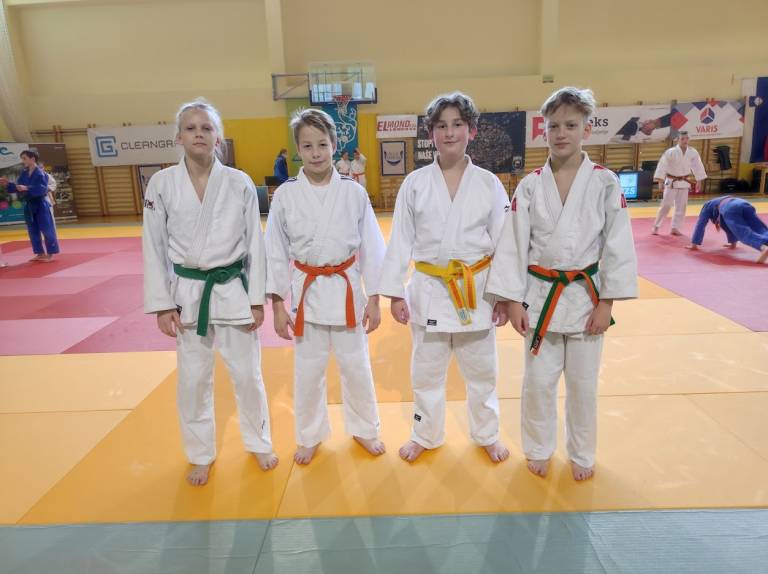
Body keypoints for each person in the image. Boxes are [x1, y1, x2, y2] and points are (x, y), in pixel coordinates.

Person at [486, 87, 638, 481]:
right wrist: (512, 301)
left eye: (570, 125)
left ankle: (582, 452)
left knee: (583, 387)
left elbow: (618, 244)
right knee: (538, 383)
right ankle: (539, 448)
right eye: (553, 126)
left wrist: (607, 303)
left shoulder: (605, 182)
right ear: (544, 130)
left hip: (586, 301)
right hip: (540, 300)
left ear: (587, 129)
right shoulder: (530, 185)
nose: (561, 133)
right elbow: (513, 244)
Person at [142, 98, 278, 487]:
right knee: (193, 381)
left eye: (206, 128)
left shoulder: (238, 182)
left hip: (233, 289)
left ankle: (259, 442)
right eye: (190, 128)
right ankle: (200, 455)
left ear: (218, 137)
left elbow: (255, 244)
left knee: (248, 375)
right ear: (178, 137)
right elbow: (153, 245)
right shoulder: (162, 184)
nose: (198, 133)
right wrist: (162, 304)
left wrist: (257, 300)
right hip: (187, 294)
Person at [378, 92, 510, 464]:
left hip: (476, 291)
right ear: (430, 133)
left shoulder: (488, 184)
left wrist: (504, 295)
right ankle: (425, 434)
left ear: (472, 131)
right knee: (426, 374)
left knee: (483, 374)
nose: (449, 132)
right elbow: (400, 239)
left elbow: (505, 242)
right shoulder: (415, 183)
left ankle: (487, 434)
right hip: (430, 291)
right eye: (441, 126)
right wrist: (395, 293)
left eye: (457, 124)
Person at [265, 108, 386, 465]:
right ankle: (310, 435)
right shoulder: (285, 195)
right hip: (307, 294)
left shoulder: (353, 192)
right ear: (298, 149)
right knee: (307, 373)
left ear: (334, 145)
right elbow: (274, 252)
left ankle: (364, 429)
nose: (316, 152)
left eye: (322, 144)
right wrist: (277, 305)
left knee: (357, 368)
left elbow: (372, 247)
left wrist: (375, 298)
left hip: (347, 292)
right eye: (307, 146)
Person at [0, 150, 60, 262]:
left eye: (24, 158)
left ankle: (50, 253)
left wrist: (27, 188)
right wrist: (8, 184)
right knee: (32, 230)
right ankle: (40, 253)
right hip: (29, 204)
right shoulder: (24, 173)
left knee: (46, 228)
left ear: (32, 159)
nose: (23, 161)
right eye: (22, 159)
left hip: (41, 203)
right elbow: (19, 187)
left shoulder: (40, 173)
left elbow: (42, 189)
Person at [651, 131, 707, 235]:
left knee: (681, 206)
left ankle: (675, 227)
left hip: (684, 182)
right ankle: (656, 226)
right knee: (666, 205)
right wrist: (660, 181)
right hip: (671, 182)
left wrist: (699, 180)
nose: (685, 141)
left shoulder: (693, 152)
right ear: (677, 140)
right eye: (682, 139)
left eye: (687, 138)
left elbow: (697, 166)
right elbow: (662, 166)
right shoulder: (670, 152)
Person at [686, 196, 768, 263]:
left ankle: (763, 247)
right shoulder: (716, 204)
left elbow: (700, 224)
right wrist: (733, 243)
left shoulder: (706, 207)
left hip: (730, 207)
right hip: (743, 203)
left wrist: (694, 243)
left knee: (742, 233)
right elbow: (727, 226)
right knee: (759, 227)